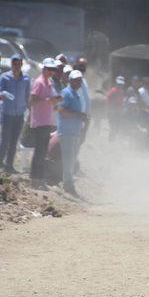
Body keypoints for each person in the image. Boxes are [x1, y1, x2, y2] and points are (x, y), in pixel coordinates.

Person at [29, 57, 61, 190]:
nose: (51, 72)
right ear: (44, 69)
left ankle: (39, 178)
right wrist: (48, 100)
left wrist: (55, 101)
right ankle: (35, 179)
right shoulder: (39, 82)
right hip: (39, 122)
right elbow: (32, 101)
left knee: (43, 152)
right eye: (49, 69)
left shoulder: (49, 83)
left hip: (47, 121)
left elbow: (50, 101)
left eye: (53, 69)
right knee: (39, 152)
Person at [56, 70, 88, 197]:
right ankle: (68, 184)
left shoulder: (76, 93)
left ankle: (68, 182)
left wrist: (81, 117)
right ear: (70, 80)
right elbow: (60, 109)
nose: (78, 82)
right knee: (68, 158)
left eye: (80, 80)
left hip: (74, 131)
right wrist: (78, 115)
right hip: (66, 131)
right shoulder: (66, 92)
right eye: (76, 80)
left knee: (72, 158)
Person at [0, 55, 31, 173]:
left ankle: (9, 165)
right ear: (11, 65)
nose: (16, 66)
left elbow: (28, 96)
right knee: (5, 140)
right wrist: (4, 94)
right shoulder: (5, 77)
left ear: (22, 64)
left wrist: (29, 111)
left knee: (14, 141)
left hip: (20, 114)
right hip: (8, 113)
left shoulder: (26, 79)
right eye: (14, 64)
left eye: (18, 64)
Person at [106, 76, 126, 142]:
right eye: (119, 84)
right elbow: (108, 100)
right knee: (113, 127)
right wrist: (111, 110)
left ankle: (112, 140)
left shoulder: (121, 91)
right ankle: (110, 141)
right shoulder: (113, 90)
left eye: (121, 84)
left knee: (116, 127)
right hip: (112, 112)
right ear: (116, 83)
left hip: (118, 112)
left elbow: (121, 102)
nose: (120, 85)